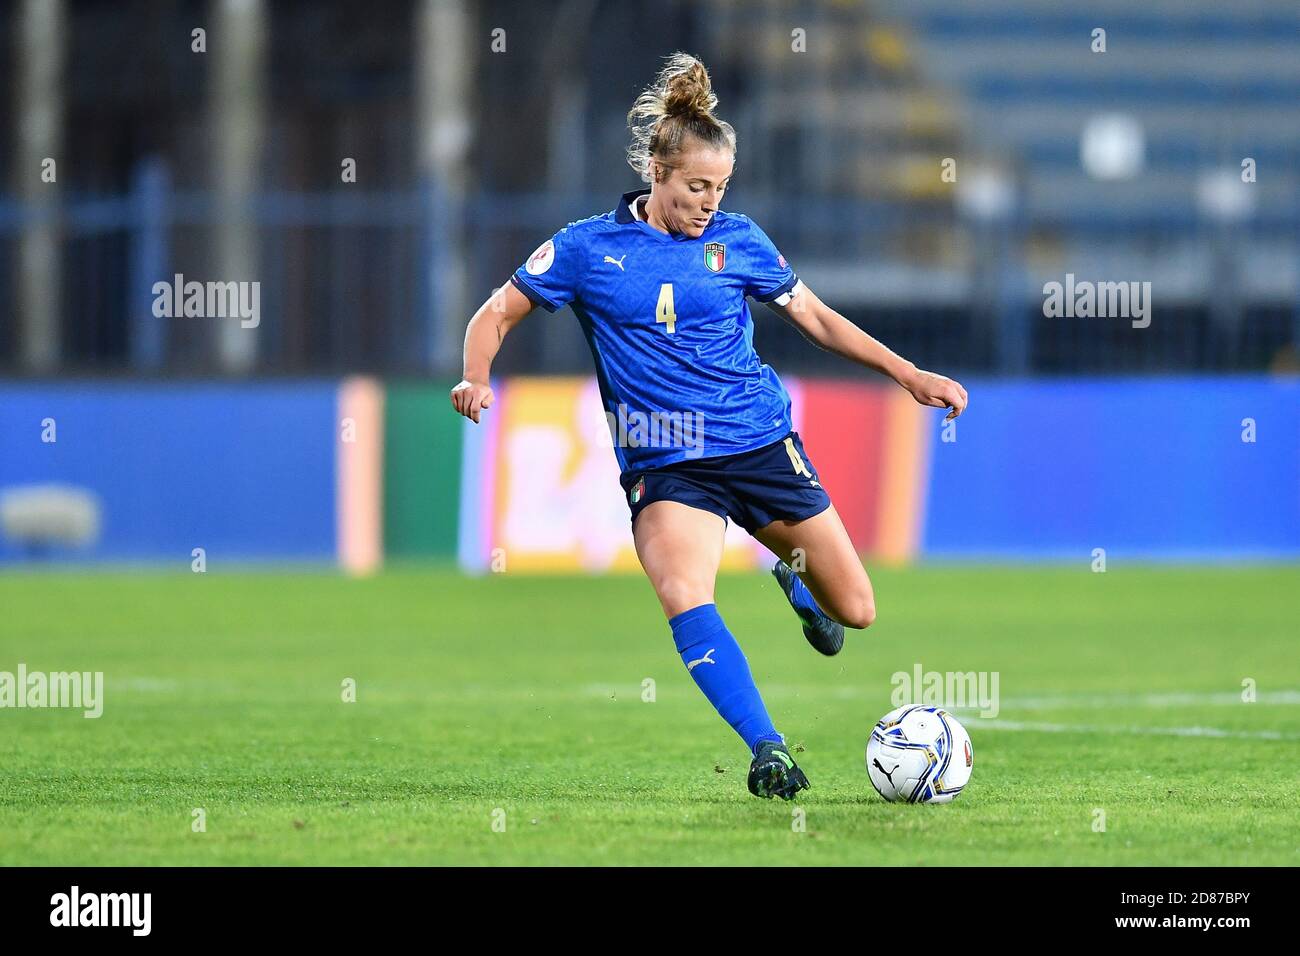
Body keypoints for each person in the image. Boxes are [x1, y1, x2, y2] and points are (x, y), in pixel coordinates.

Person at [451, 53, 967, 800]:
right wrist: (475, 374)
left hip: (759, 441)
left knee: (855, 610)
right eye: (697, 186)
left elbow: (816, 317)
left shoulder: (739, 240)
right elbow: (497, 311)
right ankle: (768, 750)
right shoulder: (587, 249)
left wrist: (908, 373)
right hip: (668, 467)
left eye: (720, 188)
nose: (708, 202)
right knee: (684, 592)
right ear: (657, 174)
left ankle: (790, 579)